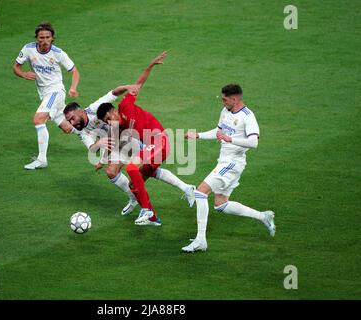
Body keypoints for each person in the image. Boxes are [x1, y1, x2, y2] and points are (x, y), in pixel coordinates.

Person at [64, 81, 195, 217]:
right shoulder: (81, 131)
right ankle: (135, 199)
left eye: (72, 118)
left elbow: (114, 92)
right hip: (116, 143)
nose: (72, 123)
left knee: (146, 170)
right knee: (112, 172)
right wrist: (100, 146)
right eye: (69, 121)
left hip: (128, 138)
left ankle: (180, 190)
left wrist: (127, 87)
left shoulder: (95, 108)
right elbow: (92, 149)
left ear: (80, 111)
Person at [96, 52, 194, 226]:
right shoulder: (120, 128)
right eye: (106, 122)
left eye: (109, 118)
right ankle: (155, 217)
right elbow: (111, 143)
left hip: (160, 141)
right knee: (134, 185)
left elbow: (138, 83)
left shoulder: (125, 105)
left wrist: (151, 65)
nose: (110, 122)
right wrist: (102, 161)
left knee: (132, 166)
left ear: (113, 111)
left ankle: (146, 210)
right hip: (151, 148)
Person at [181, 84, 276, 252]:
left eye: (225, 99)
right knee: (221, 204)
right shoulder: (226, 112)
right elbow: (218, 132)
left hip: (233, 163)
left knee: (200, 192)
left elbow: (254, 142)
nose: (222, 102)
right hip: (224, 160)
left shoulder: (248, 116)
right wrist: (197, 135)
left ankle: (200, 240)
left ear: (235, 99)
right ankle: (263, 216)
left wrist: (230, 139)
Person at [13, 22, 80, 170]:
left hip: (56, 91)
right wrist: (24, 74)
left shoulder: (58, 53)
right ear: (36, 38)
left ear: (52, 38)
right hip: (44, 94)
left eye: (47, 37)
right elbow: (16, 67)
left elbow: (74, 71)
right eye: (41, 37)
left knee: (38, 119)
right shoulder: (28, 49)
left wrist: (73, 88)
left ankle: (42, 159)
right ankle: (94, 136)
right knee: (67, 127)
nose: (44, 40)